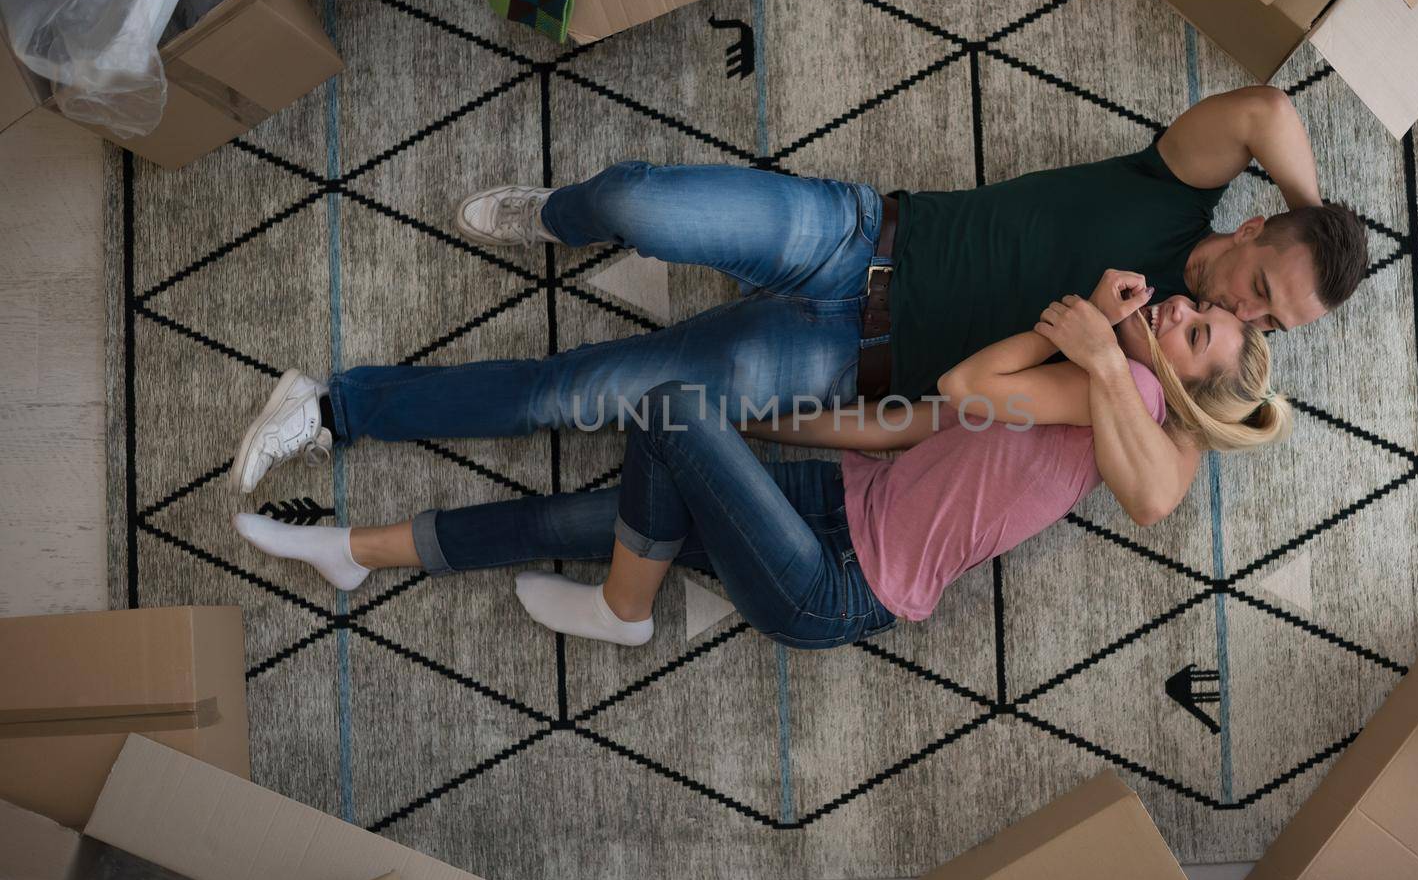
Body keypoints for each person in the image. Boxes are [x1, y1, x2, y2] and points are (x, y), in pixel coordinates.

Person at [228, 85, 1356, 524]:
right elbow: (1261, 111)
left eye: (1272, 327)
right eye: (1261, 289)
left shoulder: (1156, 365)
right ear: (1256, 223)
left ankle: (333, 409)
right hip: (862, 233)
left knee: (586, 393)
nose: (1250, 320)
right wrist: (1320, 220)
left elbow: (1158, 491)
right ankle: (568, 219)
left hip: (830, 364)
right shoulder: (1174, 194)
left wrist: (1114, 360)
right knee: (640, 201)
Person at [232, 271, 1289, 649]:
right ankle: (355, 552)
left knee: (670, 414)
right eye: (1198, 312)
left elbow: (985, 397)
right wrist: (766, 436)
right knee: (595, 511)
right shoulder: (1119, 391)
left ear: (1189, 389)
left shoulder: (1142, 407)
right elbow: (926, 416)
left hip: (839, 587)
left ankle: (622, 611)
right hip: (840, 499)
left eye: (1199, 332)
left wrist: (1104, 353)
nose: (1184, 313)